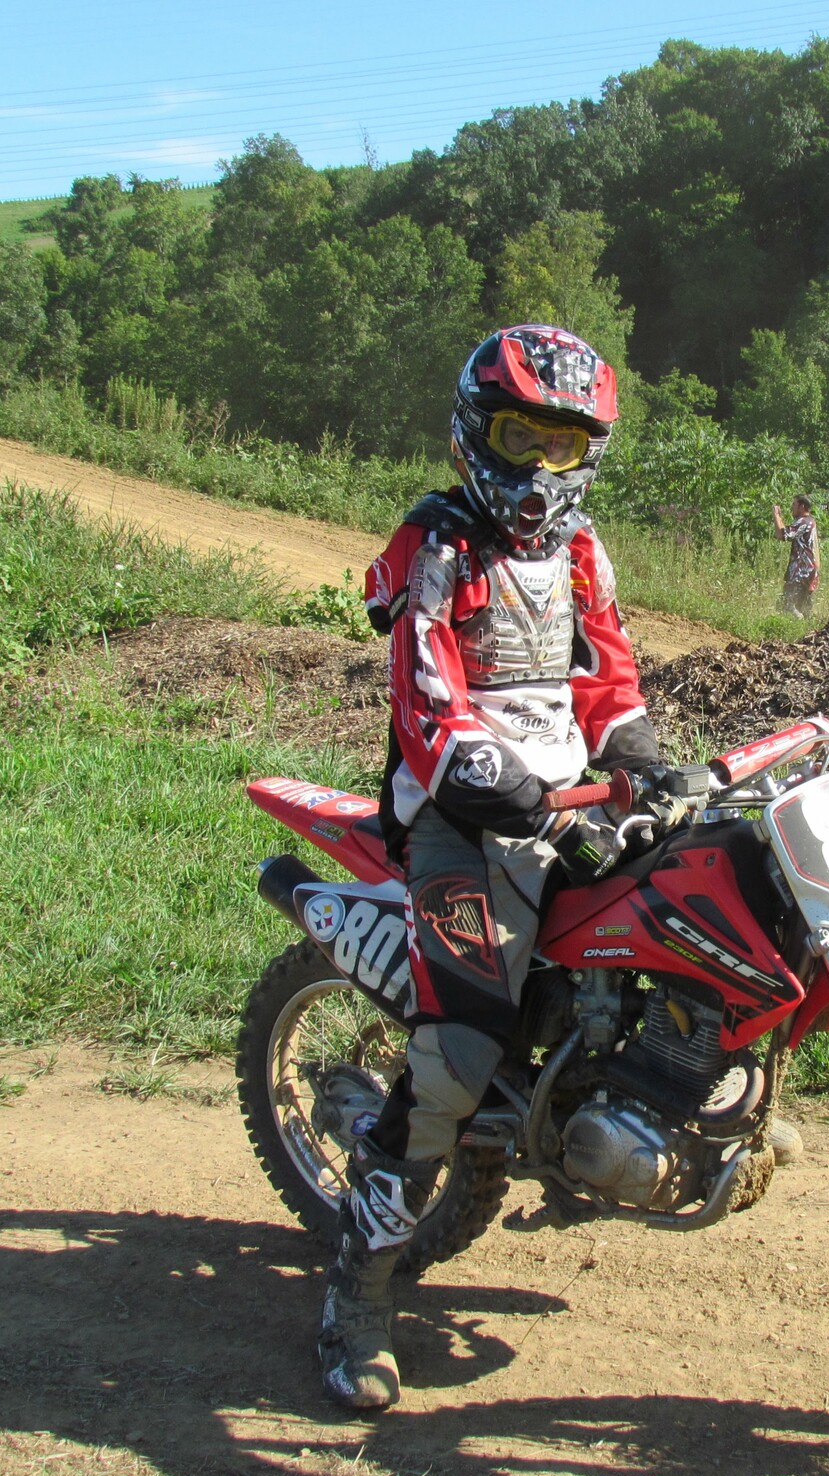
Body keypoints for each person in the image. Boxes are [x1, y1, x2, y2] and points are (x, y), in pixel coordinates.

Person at [326, 325, 662, 1410]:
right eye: (520, 435)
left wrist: (640, 759)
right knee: (456, 1062)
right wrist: (494, 781)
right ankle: (359, 1295)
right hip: (458, 820)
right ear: (478, 431)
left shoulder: (579, 551)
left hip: (559, 798)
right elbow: (427, 700)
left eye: (563, 447)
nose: (537, 468)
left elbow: (609, 677)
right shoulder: (439, 544)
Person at [772, 495, 820, 619]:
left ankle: (797, 628)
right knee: (803, 608)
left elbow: (783, 535)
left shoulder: (804, 522)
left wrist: (776, 515)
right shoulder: (809, 521)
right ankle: (808, 630)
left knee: (787, 606)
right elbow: (782, 533)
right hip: (808, 572)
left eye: (794, 505)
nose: (792, 508)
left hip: (801, 573)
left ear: (801, 506)